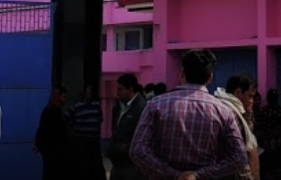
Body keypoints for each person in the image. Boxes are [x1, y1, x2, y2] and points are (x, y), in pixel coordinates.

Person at [130, 48, 248, 179]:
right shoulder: (223, 111)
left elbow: (138, 151)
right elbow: (239, 158)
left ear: (181, 73)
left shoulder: (155, 105)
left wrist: (173, 174)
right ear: (210, 78)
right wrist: (198, 175)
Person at [216, 73, 261, 180]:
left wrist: (249, 112)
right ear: (238, 92)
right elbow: (239, 149)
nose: (251, 101)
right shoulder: (229, 111)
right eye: (249, 96)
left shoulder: (235, 109)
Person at [108, 73, 147, 180]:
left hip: (132, 165)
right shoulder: (118, 108)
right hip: (117, 162)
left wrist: (126, 148)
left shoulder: (142, 108)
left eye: (120, 89)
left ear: (130, 89)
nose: (117, 93)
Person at [66, 84, 106, 180]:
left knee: (96, 165)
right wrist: (76, 127)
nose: (88, 95)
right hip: (81, 140)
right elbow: (67, 117)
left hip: (93, 139)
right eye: (87, 93)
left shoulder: (96, 105)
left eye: (90, 93)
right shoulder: (77, 106)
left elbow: (100, 118)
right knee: (83, 166)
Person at [34, 85, 68, 180]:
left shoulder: (53, 110)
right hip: (52, 150)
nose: (65, 100)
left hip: (52, 150)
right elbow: (44, 128)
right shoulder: (52, 111)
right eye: (63, 97)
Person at [255, 89, 281, 180]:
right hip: (265, 140)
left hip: (277, 140)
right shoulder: (263, 111)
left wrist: (279, 138)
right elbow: (259, 127)